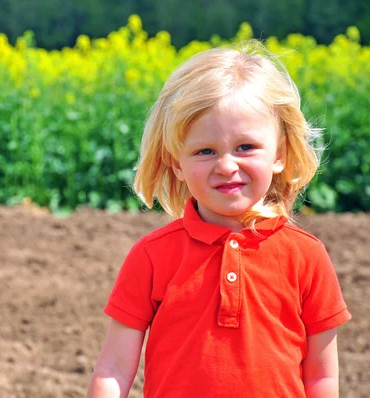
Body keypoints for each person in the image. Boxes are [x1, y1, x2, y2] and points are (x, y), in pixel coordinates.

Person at [87, 40, 351, 398]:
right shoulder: (152, 256)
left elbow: (321, 377)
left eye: (245, 147)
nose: (227, 166)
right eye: (205, 151)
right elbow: (114, 369)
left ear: (280, 154)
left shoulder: (307, 257)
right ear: (177, 164)